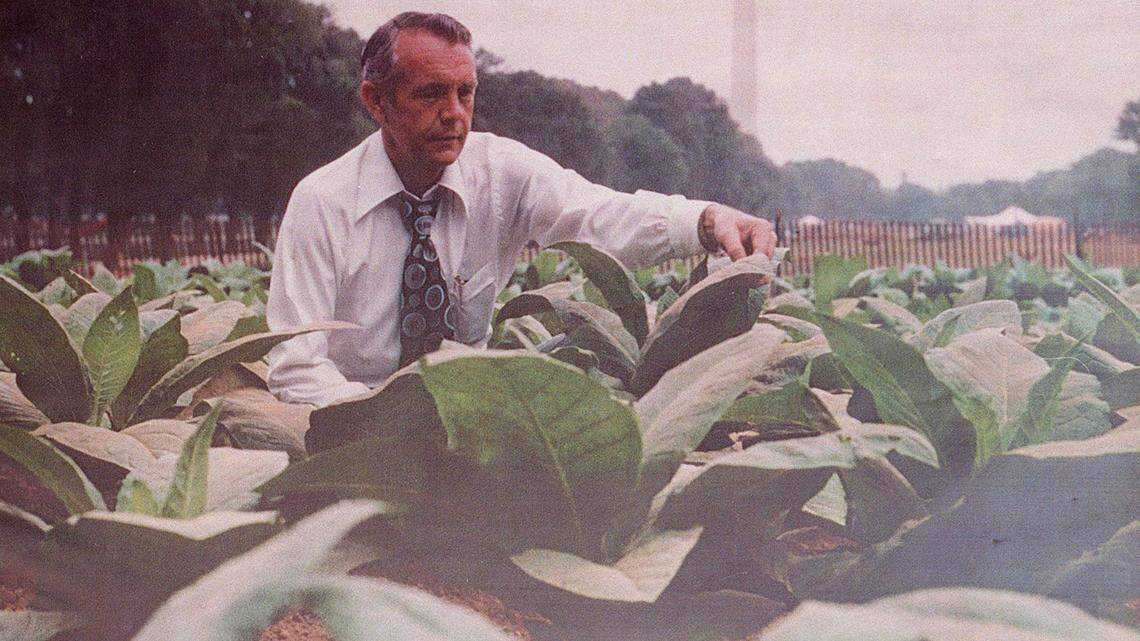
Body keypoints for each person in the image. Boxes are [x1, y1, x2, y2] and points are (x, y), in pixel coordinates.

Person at [266, 12, 776, 407]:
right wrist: (387, 423)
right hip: (350, 424)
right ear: (376, 102)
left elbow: (596, 213)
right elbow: (297, 367)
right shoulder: (321, 203)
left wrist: (706, 221)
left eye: (465, 92)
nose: (454, 113)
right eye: (431, 94)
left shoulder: (502, 171)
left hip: (470, 413)